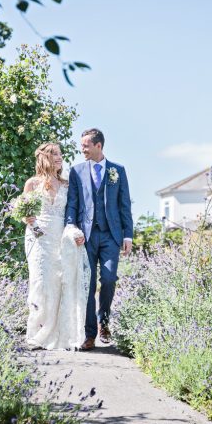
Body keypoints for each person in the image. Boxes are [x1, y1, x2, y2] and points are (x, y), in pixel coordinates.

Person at [65, 128, 134, 351]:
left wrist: (128, 235)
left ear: (98, 146)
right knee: (88, 284)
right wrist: (71, 227)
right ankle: (89, 334)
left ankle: (104, 322)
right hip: (85, 237)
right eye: (82, 146)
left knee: (109, 278)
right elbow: (72, 203)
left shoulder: (117, 171)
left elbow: (124, 205)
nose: (82, 149)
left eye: (85, 146)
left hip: (111, 235)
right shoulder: (76, 171)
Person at [23, 142, 89, 350]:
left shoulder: (67, 184)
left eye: (61, 154)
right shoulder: (32, 183)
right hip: (38, 238)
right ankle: (36, 334)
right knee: (40, 282)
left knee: (58, 283)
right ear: (45, 158)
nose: (60, 158)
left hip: (60, 238)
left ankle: (56, 333)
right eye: (55, 154)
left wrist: (76, 233)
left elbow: (74, 213)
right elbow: (25, 213)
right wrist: (32, 224)